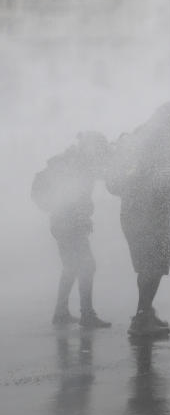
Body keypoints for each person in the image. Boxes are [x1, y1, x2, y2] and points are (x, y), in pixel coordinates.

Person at [107, 102, 170, 338]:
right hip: (149, 214)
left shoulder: (144, 137)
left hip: (134, 212)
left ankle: (145, 312)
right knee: (153, 266)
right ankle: (141, 317)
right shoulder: (163, 143)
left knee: (149, 266)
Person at [32, 131, 112, 328]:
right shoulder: (76, 165)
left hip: (62, 221)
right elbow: (71, 195)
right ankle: (86, 315)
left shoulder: (73, 161)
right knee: (87, 265)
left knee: (71, 266)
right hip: (69, 222)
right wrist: (80, 217)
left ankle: (61, 312)